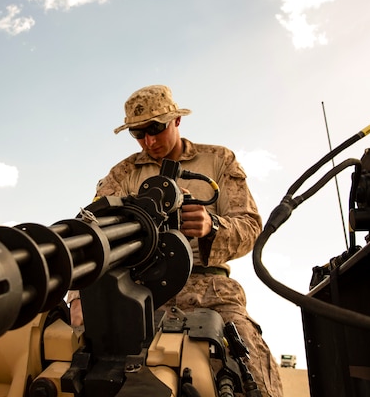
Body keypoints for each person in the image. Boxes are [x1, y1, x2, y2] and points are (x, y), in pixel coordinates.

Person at [68, 85, 283, 396]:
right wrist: (78, 295)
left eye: (156, 128)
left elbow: (251, 227)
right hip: (139, 294)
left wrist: (213, 226)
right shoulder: (124, 173)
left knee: (254, 375)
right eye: (138, 133)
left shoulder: (219, 161)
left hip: (213, 294)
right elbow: (90, 234)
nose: (149, 141)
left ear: (177, 121)